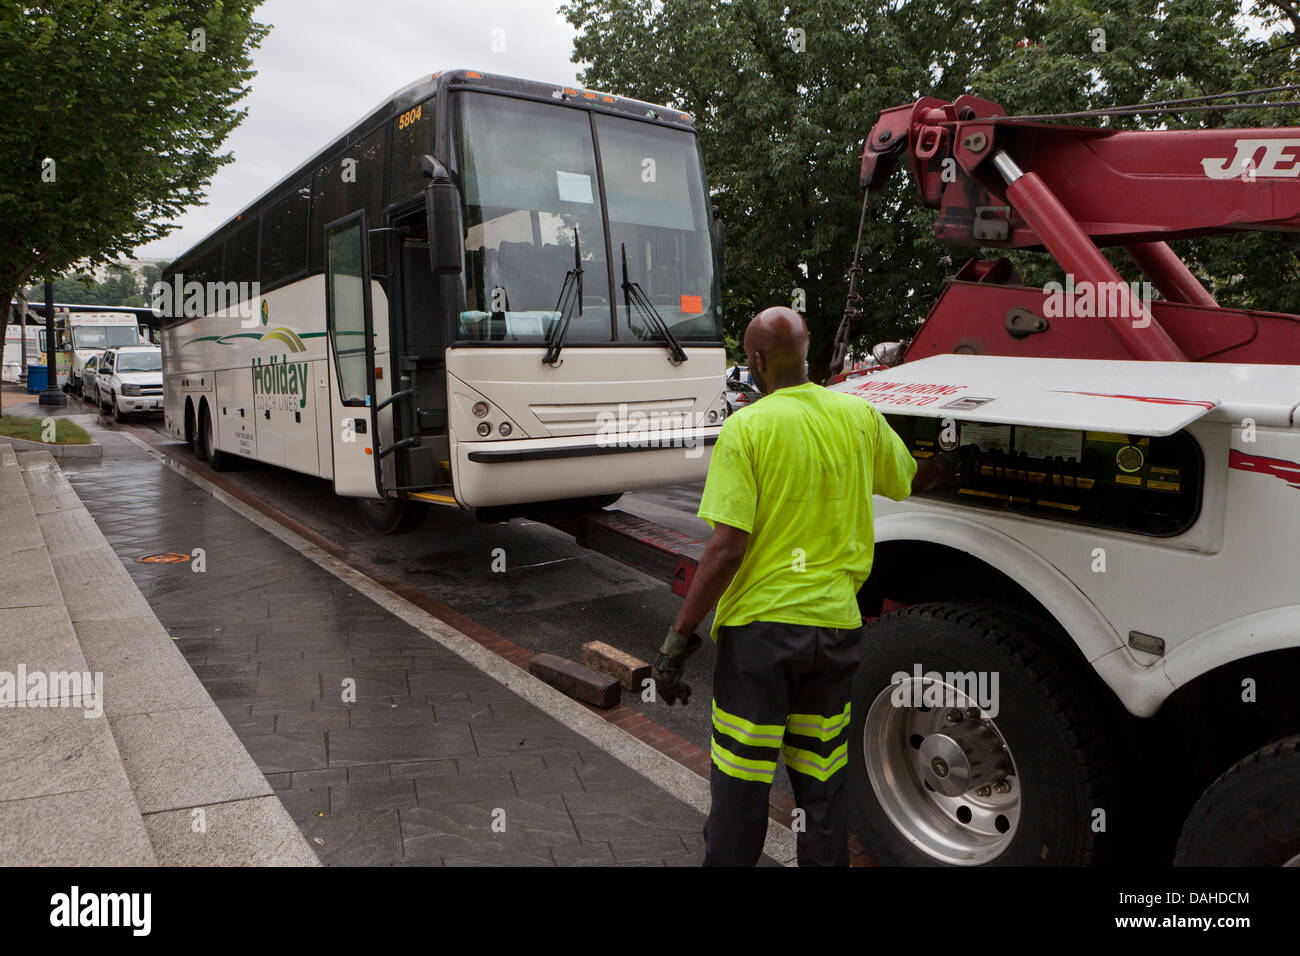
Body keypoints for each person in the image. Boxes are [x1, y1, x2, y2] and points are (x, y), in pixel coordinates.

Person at [653, 306, 968, 866]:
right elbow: (908, 477)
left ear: (754, 362)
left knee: (741, 787)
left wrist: (678, 640)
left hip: (761, 640)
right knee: (822, 792)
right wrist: (951, 463)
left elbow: (727, 549)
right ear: (807, 351)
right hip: (837, 634)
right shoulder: (858, 415)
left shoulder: (746, 428)